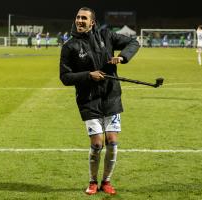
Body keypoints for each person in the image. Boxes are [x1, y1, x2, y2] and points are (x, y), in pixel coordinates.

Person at [59, 7, 139, 195]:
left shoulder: (106, 36)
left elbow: (134, 42)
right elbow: (65, 77)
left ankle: (107, 181)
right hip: (88, 100)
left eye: (84, 18)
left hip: (111, 95)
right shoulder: (69, 46)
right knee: (97, 144)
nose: (79, 20)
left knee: (112, 141)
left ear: (92, 22)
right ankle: (93, 181)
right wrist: (88, 75)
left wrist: (122, 57)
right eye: (78, 17)